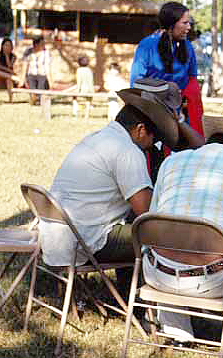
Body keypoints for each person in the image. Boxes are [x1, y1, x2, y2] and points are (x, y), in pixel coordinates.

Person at [38, 81, 203, 271]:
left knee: (133, 227)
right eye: (153, 138)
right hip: (86, 243)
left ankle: (127, 291)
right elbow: (147, 214)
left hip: (56, 240)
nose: (151, 146)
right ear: (141, 130)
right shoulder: (127, 151)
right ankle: (148, 291)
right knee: (162, 236)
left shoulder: (97, 137)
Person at [144, 115, 223, 358]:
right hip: (215, 277)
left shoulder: (172, 161)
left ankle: (177, 332)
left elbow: (154, 217)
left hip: (157, 273)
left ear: (210, 141)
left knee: (168, 239)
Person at [130, 1, 204, 135]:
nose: (189, 27)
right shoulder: (147, 45)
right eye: (185, 23)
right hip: (152, 112)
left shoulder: (187, 47)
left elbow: (192, 79)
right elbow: (136, 82)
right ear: (172, 24)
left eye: (189, 23)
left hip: (180, 114)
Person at [22, 36, 52, 105]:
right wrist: (23, 79)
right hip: (31, 75)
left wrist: (50, 82)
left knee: (40, 91)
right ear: (36, 45)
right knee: (33, 92)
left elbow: (47, 67)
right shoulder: (28, 51)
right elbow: (25, 65)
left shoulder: (46, 53)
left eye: (44, 44)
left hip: (42, 75)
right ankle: (34, 98)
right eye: (42, 44)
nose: (44, 46)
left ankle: (39, 98)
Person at [0, 37, 17, 103]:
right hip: (3, 76)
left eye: (9, 45)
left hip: (6, 78)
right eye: (6, 45)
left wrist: (7, 55)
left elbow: (10, 66)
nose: (8, 47)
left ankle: (10, 99)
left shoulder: (13, 56)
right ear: (2, 46)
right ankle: (14, 78)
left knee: (9, 80)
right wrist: (10, 71)